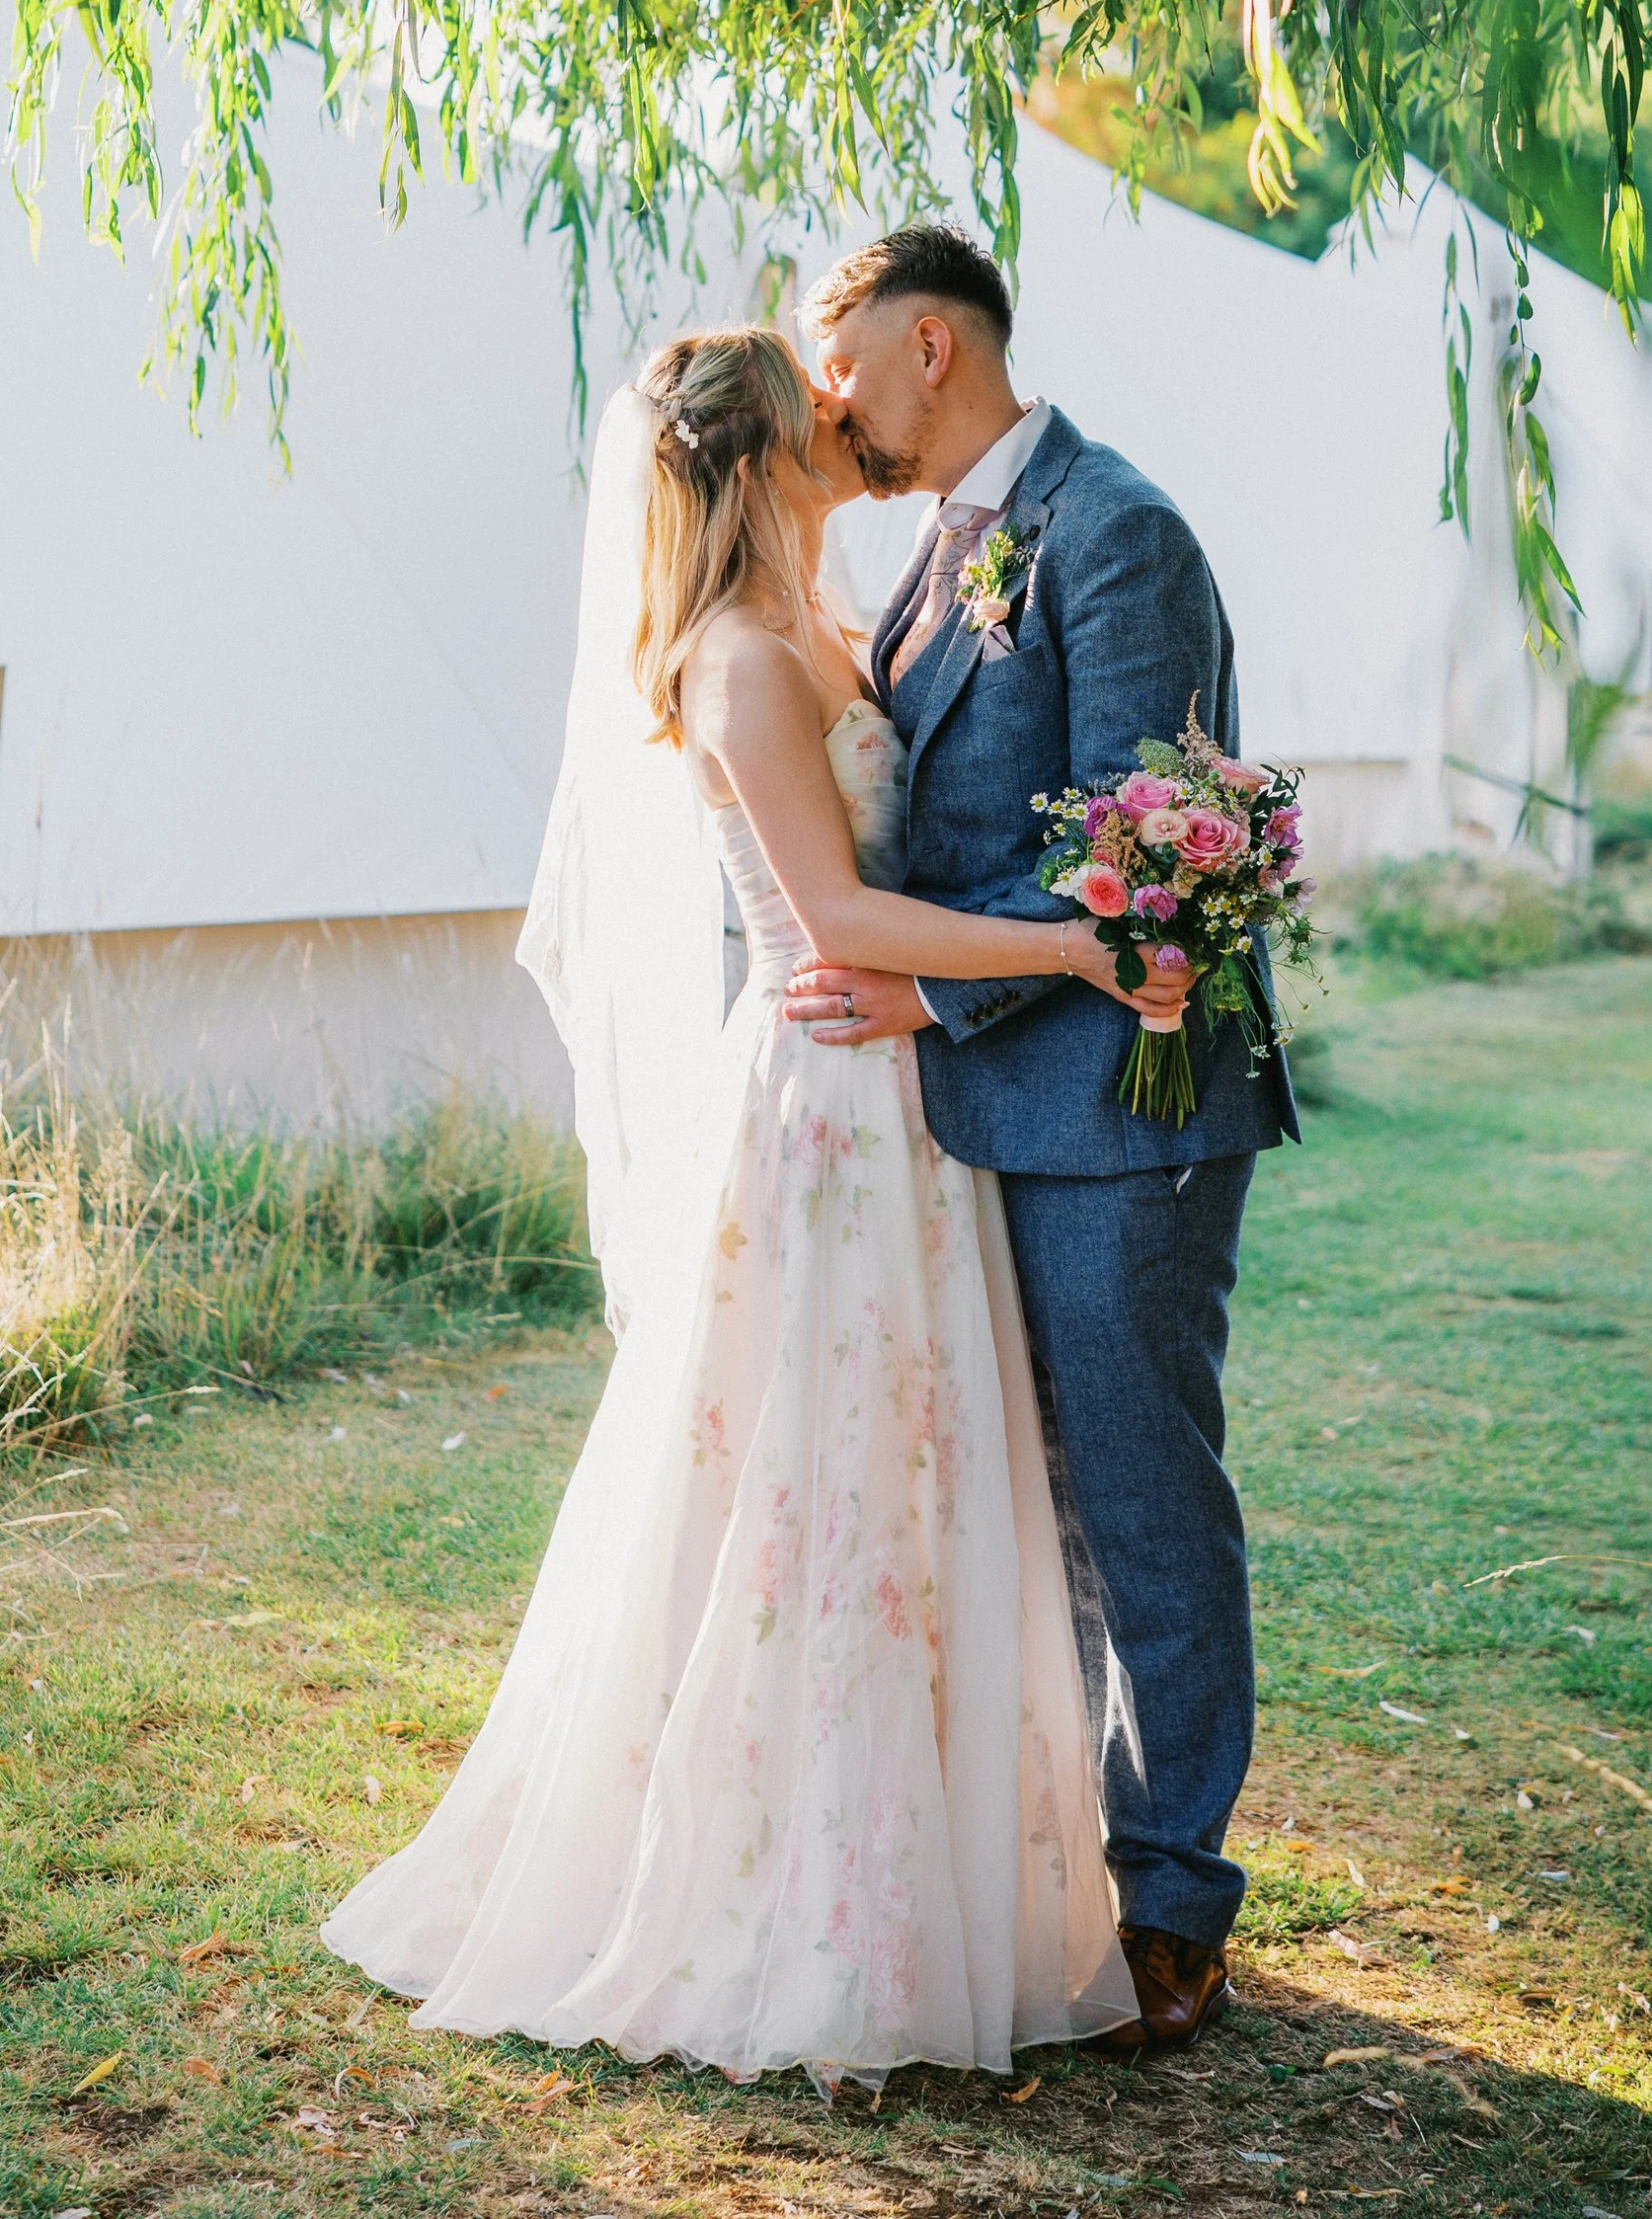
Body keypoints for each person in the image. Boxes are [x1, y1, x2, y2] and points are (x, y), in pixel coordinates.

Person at [322, 323, 1187, 2085]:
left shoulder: (831, 614)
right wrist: (1081, 950)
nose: (844, 412)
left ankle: (930, 1884)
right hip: (822, 1112)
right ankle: (796, 1903)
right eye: (815, 401)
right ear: (753, 449)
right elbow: (842, 922)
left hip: (911, 1112)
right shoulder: (731, 661)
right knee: (816, 1494)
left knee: (911, 1477)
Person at [785, 223, 1298, 2055]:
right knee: (1029, 1501)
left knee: (1141, 1498)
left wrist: (932, 993)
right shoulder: (935, 557)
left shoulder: (1114, 528)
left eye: (834, 354)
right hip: (991, 1117)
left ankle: (1173, 1896)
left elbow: (1137, 846)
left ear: (931, 341)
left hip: (1121, 1109)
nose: (823, 393)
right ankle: (1067, 1868)